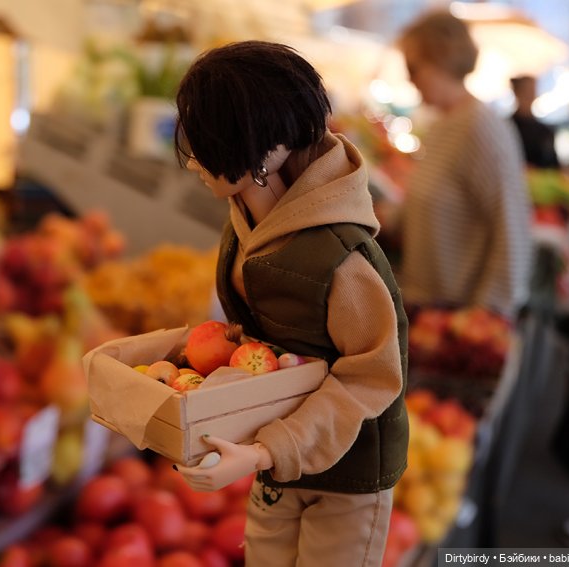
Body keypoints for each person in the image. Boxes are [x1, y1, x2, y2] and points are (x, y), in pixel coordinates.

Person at [171, 40, 408, 566]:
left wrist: (262, 450)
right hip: (277, 460)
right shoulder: (246, 220)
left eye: (213, 139)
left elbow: (372, 376)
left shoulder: (342, 261)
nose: (194, 161)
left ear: (272, 144)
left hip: (345, 470)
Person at [395, 10, 534, 320]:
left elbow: (511, 232)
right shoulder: (442, 126)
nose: (409, 78)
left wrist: (480, 320)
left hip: (457, 317)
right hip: (425, 307)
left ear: (440, 60)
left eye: (413, 67)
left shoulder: (481, 129)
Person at [510, 75, 560, 169]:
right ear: (517, 93)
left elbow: (554, 165)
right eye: (526, 91)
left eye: (532, 91)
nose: (530, 95)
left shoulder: (544, 131)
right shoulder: (507, 127)